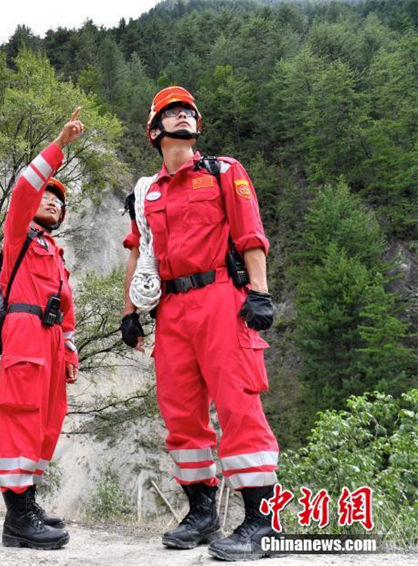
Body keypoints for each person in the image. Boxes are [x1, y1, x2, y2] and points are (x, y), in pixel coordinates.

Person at [121, 86, 279, 561]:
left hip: (220, 301)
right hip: (171, 309)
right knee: (181, 413)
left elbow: (251, 234)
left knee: (237, 405)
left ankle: (261, 523)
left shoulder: (224, 171)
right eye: (172, 112)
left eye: (188, 110)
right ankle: (202, 512)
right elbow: (137, 251)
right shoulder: (147, 192)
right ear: (155, 131)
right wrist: (130, 313)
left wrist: (259, 292)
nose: (183, 115)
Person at [0, 109, 83, 550]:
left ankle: (28, 502)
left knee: (47, 420)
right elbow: (25, 189)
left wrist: (69, 351)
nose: (51, 200)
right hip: (25, 331)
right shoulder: (19, 235)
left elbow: (66, 311)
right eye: (48, 195)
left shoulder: (55, 251)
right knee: (22, 415)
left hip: (48, 338)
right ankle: (17, 517)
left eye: (58, 199)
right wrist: (59, 145)